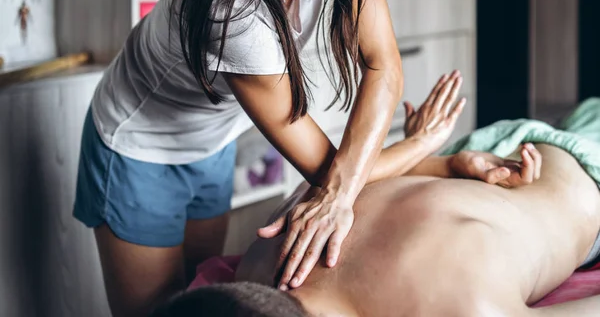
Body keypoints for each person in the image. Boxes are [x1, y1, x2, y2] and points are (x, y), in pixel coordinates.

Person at [72, 0, 469, 315]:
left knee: (201, 291)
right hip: (138, 147)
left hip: (213, 139)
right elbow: (328, 172)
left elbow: (382, 63)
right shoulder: (232, 10)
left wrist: (345, 190)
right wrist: (424, 148)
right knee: (158, 312)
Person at [148, 101, 600, 316]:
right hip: (483, 160)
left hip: (581, 175)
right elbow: (347, 182)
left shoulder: (462, 306)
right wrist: (445, 160)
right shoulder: (261, 257)